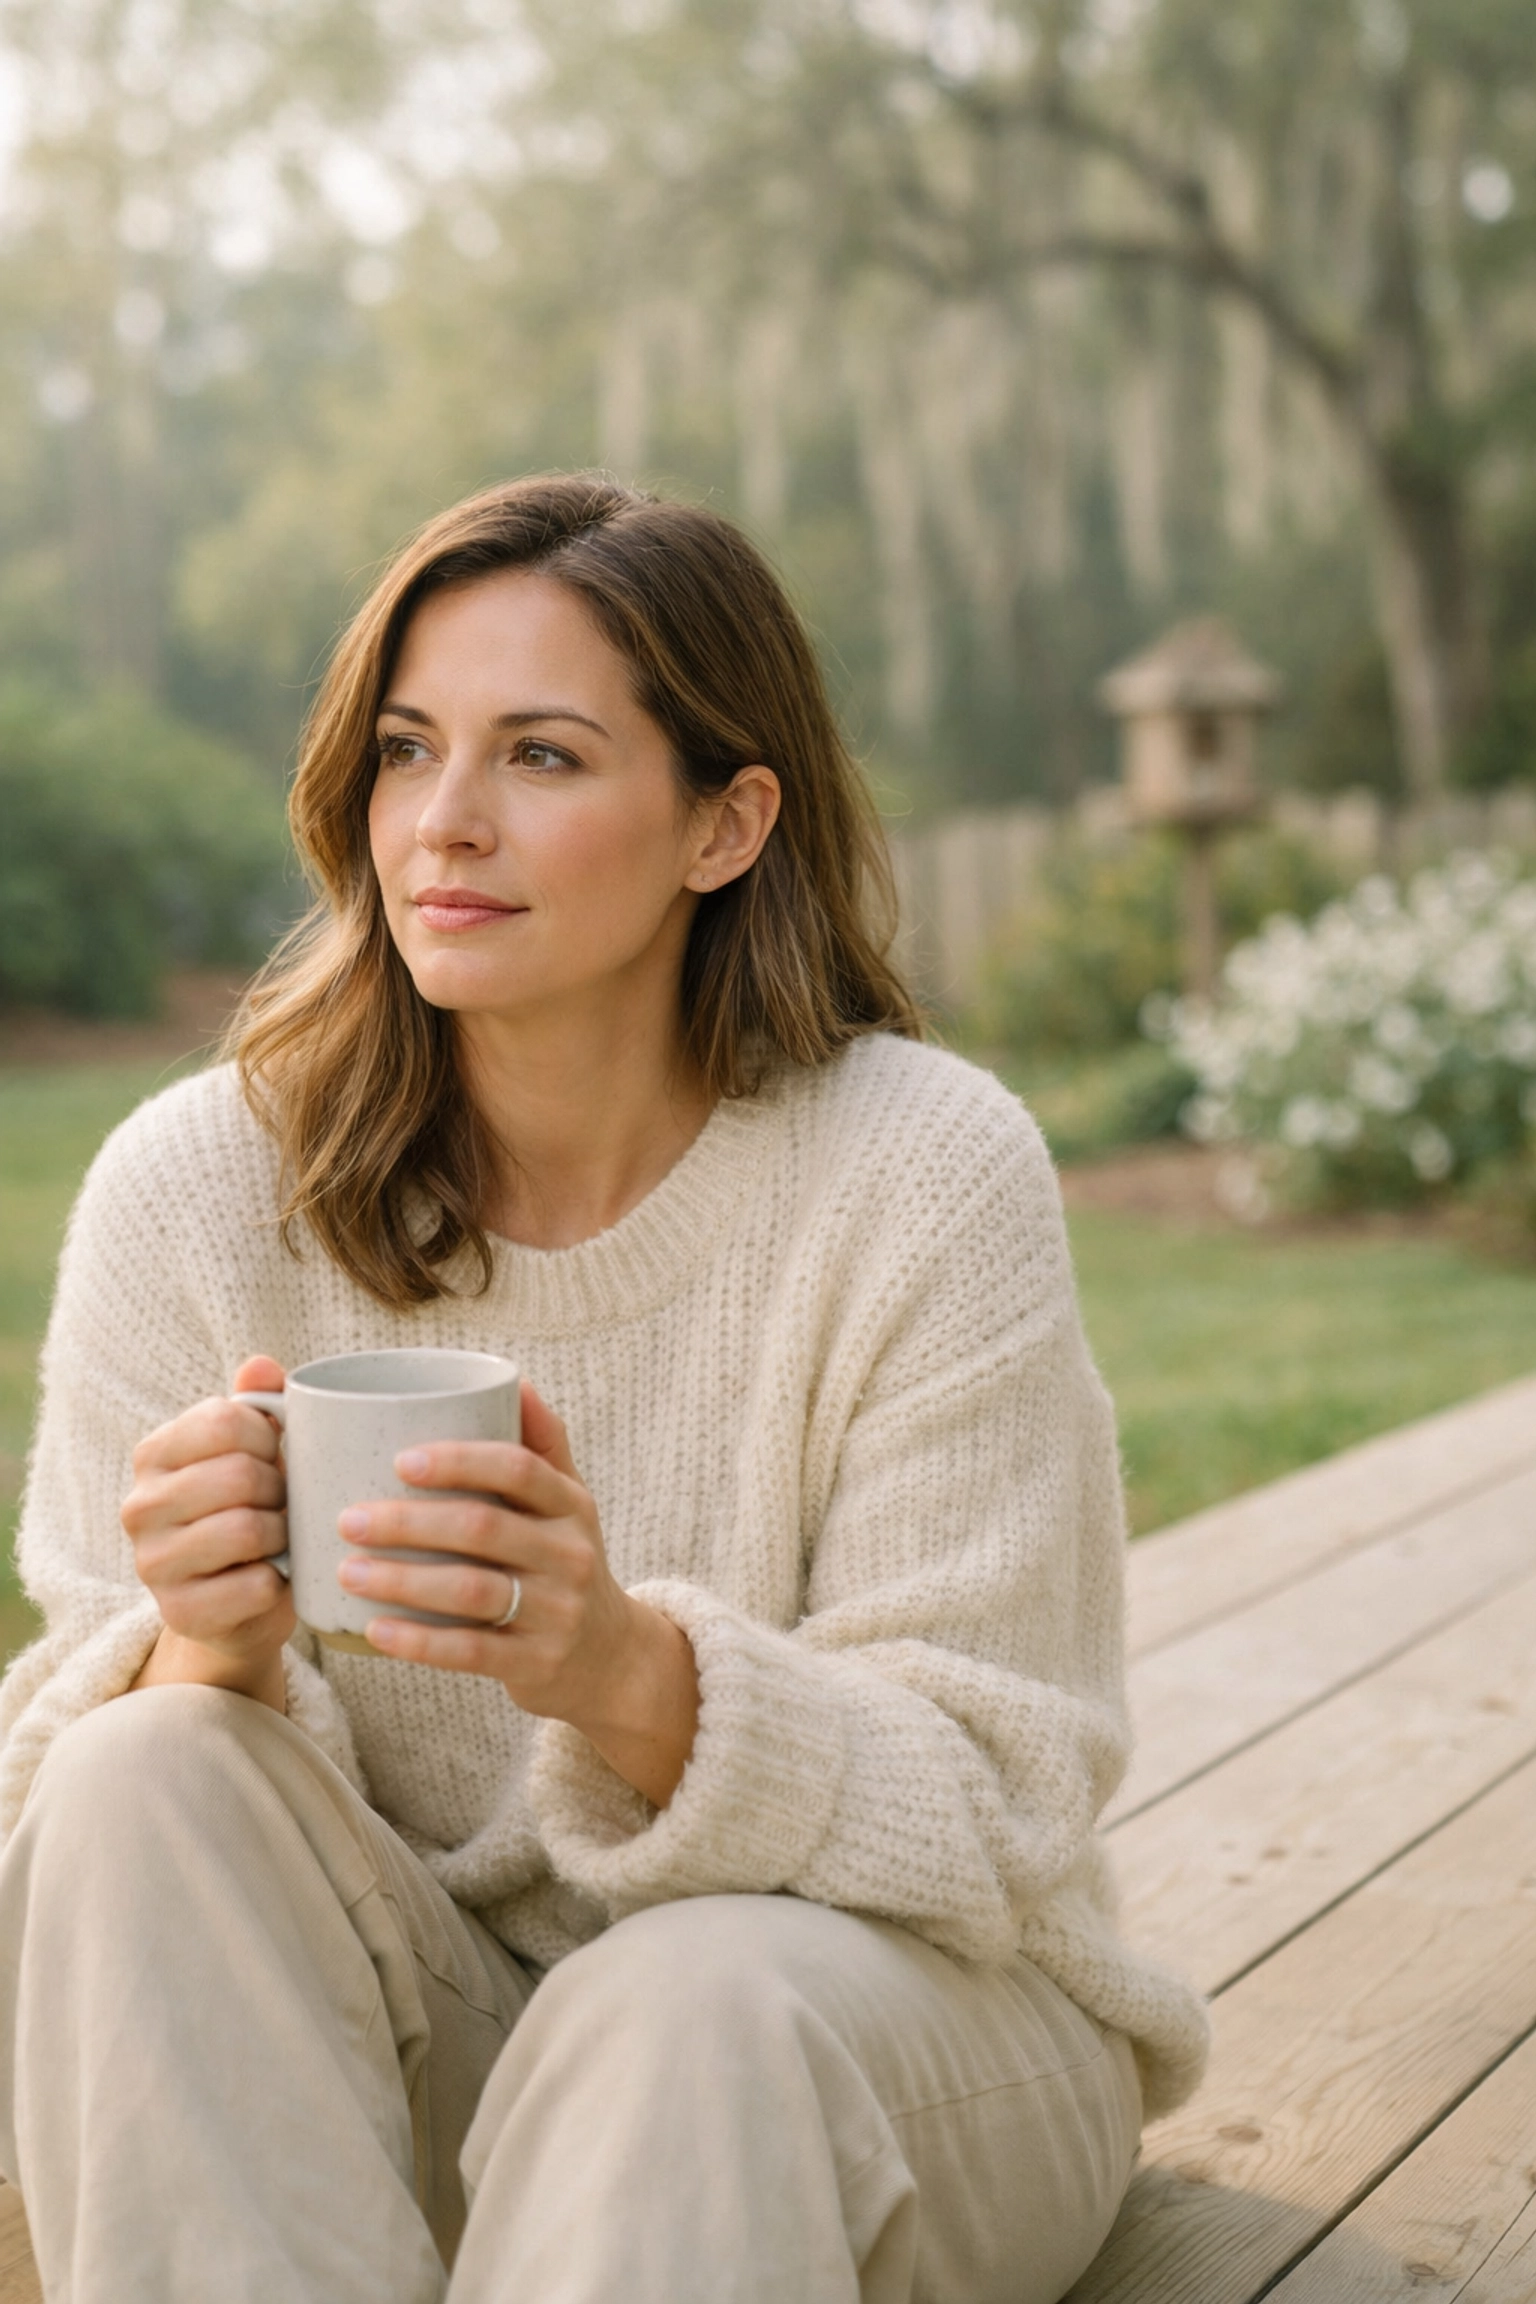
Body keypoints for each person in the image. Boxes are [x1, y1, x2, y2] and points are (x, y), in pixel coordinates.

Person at [0, 474, 1207, 2304]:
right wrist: (199, 1649)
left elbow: (1001, 1795)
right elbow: (62, 1857)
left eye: (543, 759)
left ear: (725, 824)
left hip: (885, 2040)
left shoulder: (920, 1173)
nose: (446, 825)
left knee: (680, 2002)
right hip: (425, 2051)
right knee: (137, 1770)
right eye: (408, 751)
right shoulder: (195, 1190)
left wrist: (627, 1676)